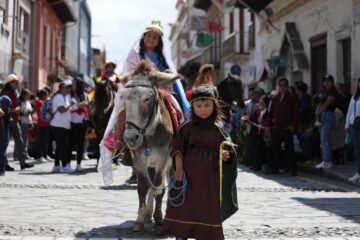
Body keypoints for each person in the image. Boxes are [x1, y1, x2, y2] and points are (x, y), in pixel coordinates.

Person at [99, 20, 188, 185]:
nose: (151, 39)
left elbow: (169, 73)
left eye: (155, 37)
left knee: (177, 107)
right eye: (149, 35)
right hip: (138, 89)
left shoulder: (162, 57)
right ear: (143, 37)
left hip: (161, 90)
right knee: (124, 109)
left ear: (159, 41)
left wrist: (165, 75)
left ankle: (178, 140)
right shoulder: (135, 54)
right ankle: (120, 142)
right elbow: (128, 72)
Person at [162, 84, 238, 240]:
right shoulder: (187, 128)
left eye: (207, 105)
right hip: (188, 175)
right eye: (199, 105)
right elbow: (178, 150)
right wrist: (179, 170)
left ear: (214, 106)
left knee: (206, 206)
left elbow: (227, 147)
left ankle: (205, 234)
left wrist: (225, 153)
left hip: (210, 178)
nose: (203, 109)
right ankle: (181, 234)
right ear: (192, 107)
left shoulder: (218, 129)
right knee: (185, 206)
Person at [0, 74, 34, 170]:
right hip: (7, 120)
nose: (16, 84)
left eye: (17, 82)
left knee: (20, 141)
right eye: (14, 82)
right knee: (5, 142)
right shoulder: (5, 94)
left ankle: (22, 162)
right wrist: (14, 110)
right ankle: (4, 163)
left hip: (15, 119)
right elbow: (3, 110)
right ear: (9, 83)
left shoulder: (15, 93)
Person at [267, 77, 298, 175]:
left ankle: (292, 169)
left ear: (287, 86)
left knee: (289, 149)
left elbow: (296, 113)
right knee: (275, 149)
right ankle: (275, 168)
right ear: (278, 87)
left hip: (287, 128)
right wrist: (268, 126)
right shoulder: (275, 98)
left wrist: (293, 125)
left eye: (285, 85)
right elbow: (270, 113)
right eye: (281, 85)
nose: (283, 87)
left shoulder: (292, 97)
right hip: (276, 127)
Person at [50, 79, 75, 173]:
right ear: (60, 89)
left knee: (60, 146)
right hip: (58, 125)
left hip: (63, 125)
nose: (68, 89)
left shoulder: (65, 97)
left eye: (69, 87)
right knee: (63, 146)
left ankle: (56, 166)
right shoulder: (59, 97)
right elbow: (61, 110)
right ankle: (64, 166)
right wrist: (70, 105)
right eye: (66, 87)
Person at [315, 74, 339, 169]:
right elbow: (320, 102)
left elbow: (327, 103)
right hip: (324, 115)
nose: (326, 83)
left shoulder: (332, 91)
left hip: (329, 114)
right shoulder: (325, 91)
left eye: (328, 81)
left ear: (332, 82)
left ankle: (327, 161)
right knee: (323, 139)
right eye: (324, 81)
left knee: (325, 140)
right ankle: (325, 160)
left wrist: (318, 113)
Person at [68, 77, 89, 172]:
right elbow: (68, 107)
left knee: (80, 144)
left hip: (82, 121)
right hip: (72, 121)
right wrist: (78, 106)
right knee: (71, 143)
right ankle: (67, 164)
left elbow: (88, 105)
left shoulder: (84, 95)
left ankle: (79, 164)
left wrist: (86, 105)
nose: (72, 86)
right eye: (72, 84)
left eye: (74, 84)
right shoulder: (69, 95)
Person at [345, 78, 360, 182]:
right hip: (353, 126)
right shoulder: (354, 97)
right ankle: (358, 173)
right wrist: (347, 125)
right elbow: (349, 111)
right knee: (357, 150)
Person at [35, 89, 50, 163]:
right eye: (47, 94)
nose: (47, 96)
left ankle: (45, 155)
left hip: (46, 123)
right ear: (43, 95)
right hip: (42, 124)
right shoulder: (40, 102)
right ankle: (39, 156)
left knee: (45, 141)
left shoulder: (43, 102)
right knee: (41, 141)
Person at [19, 88, 34, 160]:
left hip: (27, 122)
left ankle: (25, 154)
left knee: (26, 139)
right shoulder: (20, 103)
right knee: (20, 139)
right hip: (22, 122)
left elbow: (30, 113)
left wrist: (31, 122)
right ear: (24, 96)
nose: (29, 97)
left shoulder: (28, 103)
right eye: (27, 95)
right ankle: (17, 154)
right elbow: (20, 113)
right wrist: (25, 113)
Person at [0, 96, 12, 176]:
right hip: (3, 132)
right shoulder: (6, 111)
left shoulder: (4, 113)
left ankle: (1, 169)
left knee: (1, 150)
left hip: (2, 132)